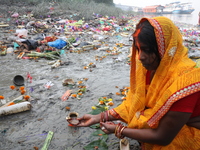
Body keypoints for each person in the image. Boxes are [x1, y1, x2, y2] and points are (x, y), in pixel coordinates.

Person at [73, 16, 200, 149]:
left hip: (184, 135)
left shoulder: (186, 82)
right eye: (138, 49)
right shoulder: (150, 69)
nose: (140, 57)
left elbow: (163, 137)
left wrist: (119, 129)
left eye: (147, 50)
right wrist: (98, 117)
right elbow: (134, 103)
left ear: (166, 48)